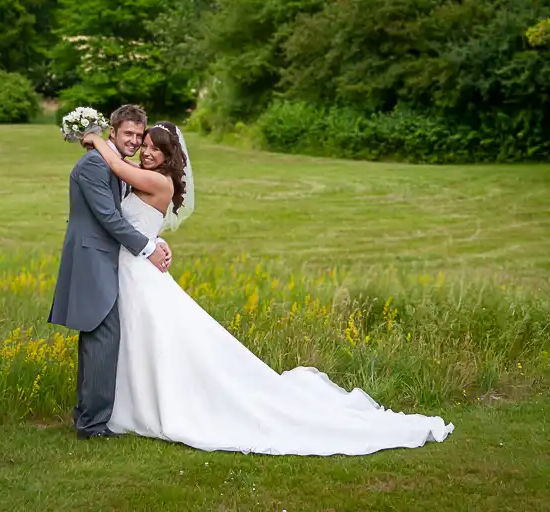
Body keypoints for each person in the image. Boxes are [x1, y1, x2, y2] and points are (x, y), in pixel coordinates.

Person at [80, 123, 455, 456]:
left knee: (157, 341)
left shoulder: (158, 180)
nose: (146, 150)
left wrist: (97, 138)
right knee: (135, 341)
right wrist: (156, 242)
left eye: (155, 148)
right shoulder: (146, 175)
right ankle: (125, 407)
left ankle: (157, 407)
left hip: (139, 273)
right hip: (131, 269)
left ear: (169, 156)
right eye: (144, 143)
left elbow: (116, 167)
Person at [49, 104, 172, 440]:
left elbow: (132, 214)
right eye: (127, 134)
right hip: (94, 259)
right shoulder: (93, 164)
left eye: (138, 134)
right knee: (102, 337)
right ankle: (92, 424)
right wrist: (148, 250)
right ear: (112, 132)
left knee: (102, 338)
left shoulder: (115, 165)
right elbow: (109, 218)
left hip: (111, 260)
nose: (134, 141)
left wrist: (154, 238)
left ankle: (91, 418)